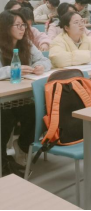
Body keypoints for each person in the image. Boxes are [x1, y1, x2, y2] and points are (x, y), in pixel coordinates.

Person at [0, 10, 51, 173]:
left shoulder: (26, 43)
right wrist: (12, 70)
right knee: (4, 118)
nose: (22, 29)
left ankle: (22, 146)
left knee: (38, 112)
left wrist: (40, 66)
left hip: (19, 95)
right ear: (5, 27)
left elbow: (45, 60)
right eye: (18, 25)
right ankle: (3, 161)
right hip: (3, 99)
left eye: (23, 25)